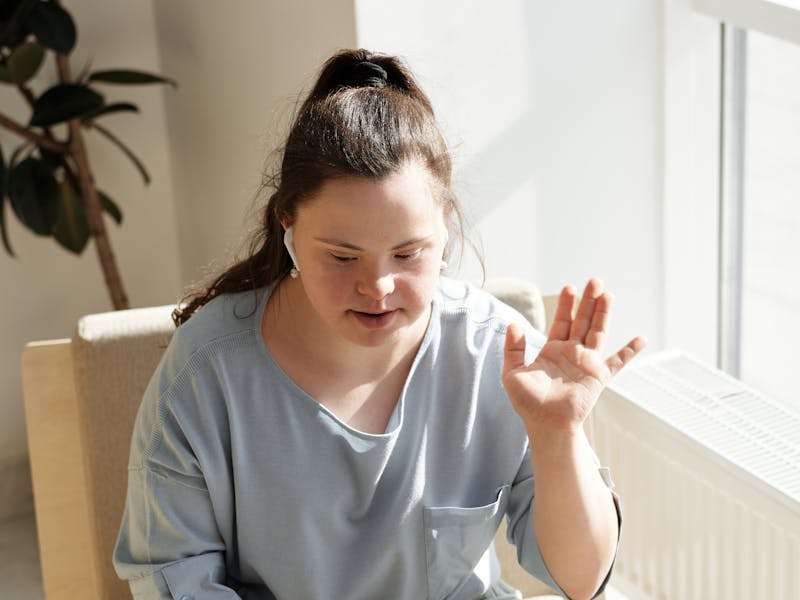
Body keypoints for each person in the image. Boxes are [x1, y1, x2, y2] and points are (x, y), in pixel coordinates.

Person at [113, 48, 646, 600]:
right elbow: (174, 578)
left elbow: (580, 581)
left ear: (446, 229)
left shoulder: (498, 355)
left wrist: (558, 437)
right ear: (288, 228)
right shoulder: (205, 374)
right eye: (343, 257)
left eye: (408, 254)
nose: (378, 288)